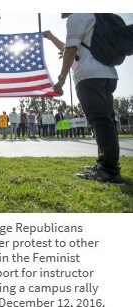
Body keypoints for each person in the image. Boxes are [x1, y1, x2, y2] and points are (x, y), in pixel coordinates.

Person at [43, 14, 124, 185]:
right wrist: (51, 38)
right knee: (106, 121)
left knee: (100, 121)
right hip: (107, 75)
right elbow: (69, 48)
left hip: (89, 76)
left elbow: (71, 50)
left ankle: (109, 172)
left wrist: (61, 78)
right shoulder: (92, 16)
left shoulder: (76, 17)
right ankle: (107, 165)